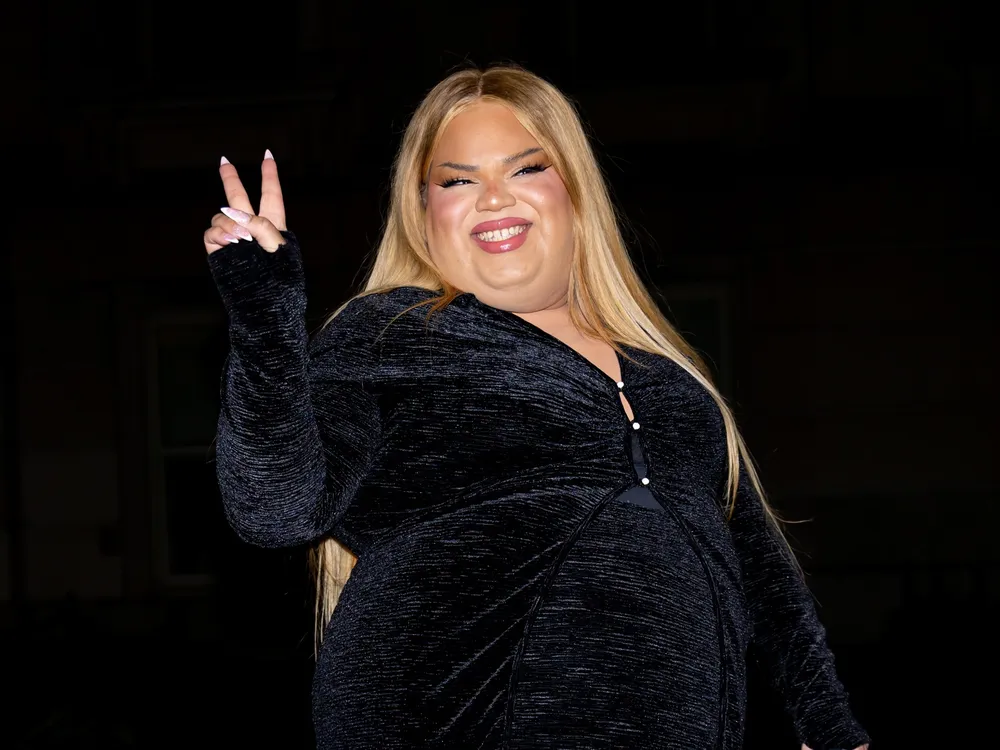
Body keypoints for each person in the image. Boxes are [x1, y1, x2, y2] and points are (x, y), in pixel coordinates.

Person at [203, 65, 871, 750]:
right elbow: (275, 509)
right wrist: (264, 311)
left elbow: (759, 569)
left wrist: (830, 725)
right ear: (423, 209)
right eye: (458, 180)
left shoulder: (670, 381)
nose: (492, 199)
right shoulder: (390, 337)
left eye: (524, 169)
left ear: (574, 191)